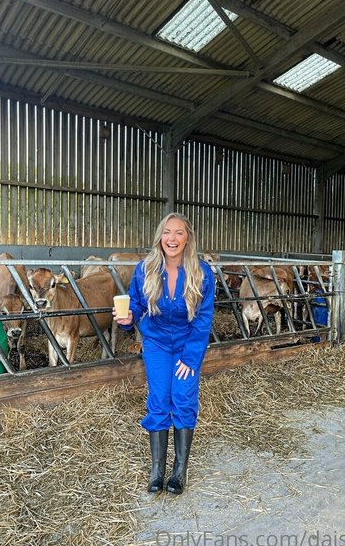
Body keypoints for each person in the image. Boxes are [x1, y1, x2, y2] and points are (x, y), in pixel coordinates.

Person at [113, 212, 215, 495]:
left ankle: (179, 472)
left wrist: (191, 357)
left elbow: (203, 318)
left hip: (187, 343)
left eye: (179, 232)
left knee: (183, 398)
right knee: (159, 400)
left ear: (188, 238)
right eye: (167, 232)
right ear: (160, 237)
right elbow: (136, 303)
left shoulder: (202, 273)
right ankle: (157, 471)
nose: (172, 238)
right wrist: (128, 317)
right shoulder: (145, 269)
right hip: (157, 343)